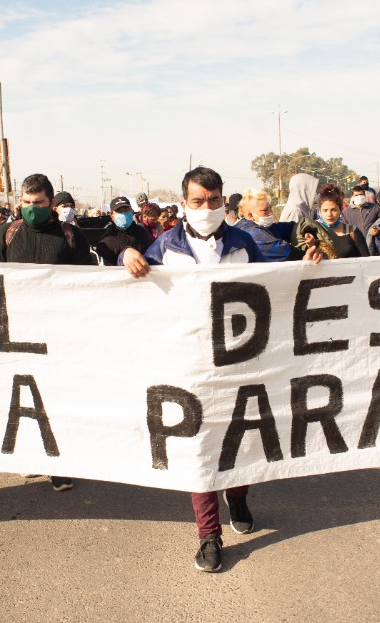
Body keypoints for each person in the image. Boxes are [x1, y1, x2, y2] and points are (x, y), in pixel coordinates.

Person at [121, 166, 322, 573]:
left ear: (223, 201)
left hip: (240, 359)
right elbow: (127, 284)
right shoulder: (166, 246)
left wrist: (310, 262)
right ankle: (208, 535)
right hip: (190, 364)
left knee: (241, 435)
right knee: (200, 445)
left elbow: (280, 276)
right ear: (184, 204)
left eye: (214, 201)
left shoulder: (244, 241)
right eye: (198, 201)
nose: (206, 208)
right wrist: (125, 255)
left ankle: (240, 494)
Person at [0, 174, 95, 491]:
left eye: (39, 203)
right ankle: (29, 456)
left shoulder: (70, 236)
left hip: (58, 332)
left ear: (51, 204)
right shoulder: (6, 234)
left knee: (55, 398)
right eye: (27, 203)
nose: (32, 208)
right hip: (16, 333)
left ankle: (57, 463)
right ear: (20, 202)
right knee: (21, 397)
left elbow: (88, 282)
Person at [297, 183, 370, 259]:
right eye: (325, 210)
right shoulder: (312, 233)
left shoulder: (352, 231)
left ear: (341, 210)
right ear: (320, 211)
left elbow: (367, 261)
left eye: (333, 210)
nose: (329, 214)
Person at [234, 189, 293, 262]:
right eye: (265, 210)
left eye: (270, 208)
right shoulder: (252, 232)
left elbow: (286, 228)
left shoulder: (263, 227)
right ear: (250, 215)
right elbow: (287, 252)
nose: (270, 213)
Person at [96, 196, 153, 265]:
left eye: (126, 210)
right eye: (119, 211)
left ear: (132, 211)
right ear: (112, 216)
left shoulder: (142, 232)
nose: (124, 214)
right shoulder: (107, 241)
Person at [341, 184, 380, 256]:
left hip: (373, 246)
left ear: (364, 196)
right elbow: (343, 230)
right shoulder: (346, 212)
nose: (359, 197)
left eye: (361, 194)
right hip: (356, 248)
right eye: (356, 195)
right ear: (352, 197)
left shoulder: (374, 208)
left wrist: (378, 230)